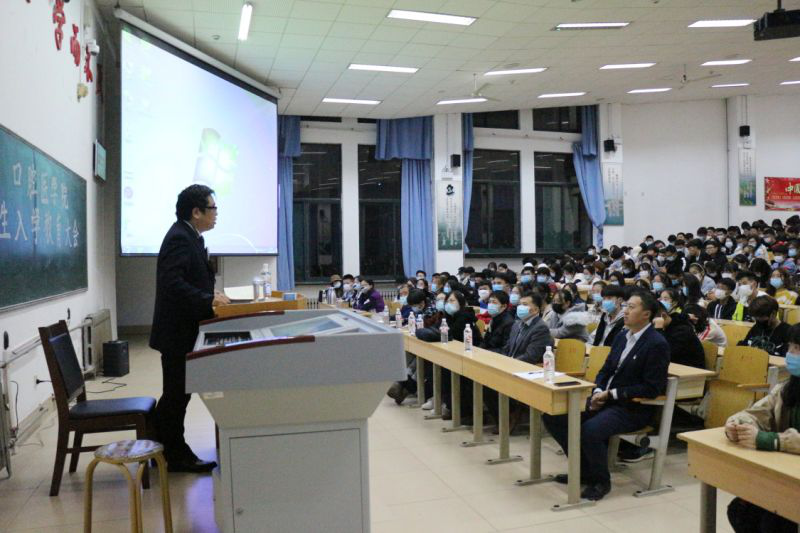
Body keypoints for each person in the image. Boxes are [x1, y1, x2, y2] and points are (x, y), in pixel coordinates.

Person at [542, 291, 670, 501]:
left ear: (646, 314)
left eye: (631, 307)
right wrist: (597, 392)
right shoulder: (622, 336)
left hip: (632, 407)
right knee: (554, 416)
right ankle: (583, 470)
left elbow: (652, 387)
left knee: (591, 430)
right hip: (605, 399)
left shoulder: (657, 343)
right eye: (626, 306)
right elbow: (605, 370)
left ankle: (601, 481)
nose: (625, 311)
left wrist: (611, 394)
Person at [149, 184, 229, 473]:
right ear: (196, 212)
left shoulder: (190, 236)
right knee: (176, 395)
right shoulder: (180, 238)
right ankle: (173, 454)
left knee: (178, 394)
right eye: (212, 208)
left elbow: (189, 279)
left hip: (182, 330)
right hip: (177, 333)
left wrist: (210, 294)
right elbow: (172, 284)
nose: (216, 214)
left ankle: (162, 449)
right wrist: (207, 300)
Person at [725, 323, 800, 533]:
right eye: (790, 346)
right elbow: (757, 413)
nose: (790, 354)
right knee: (740, 511)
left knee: (772, 523)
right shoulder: (788, 388)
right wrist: (738, 424)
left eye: (797, 348)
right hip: (786, 473)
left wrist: (769, 440)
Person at [502, 292, 553, 364]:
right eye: (519, 304)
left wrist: (510, 363)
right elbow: (507, 348)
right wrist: (502, 360)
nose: (520, 307)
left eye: (525, 304)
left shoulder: (541, 328)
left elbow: (530, 357)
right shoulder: (516, 324)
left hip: (525, 367)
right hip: (509, 363)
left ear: (536, 310)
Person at [653, 302, 707, 368]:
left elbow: (662, 353)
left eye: (652, 323)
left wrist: (658, 329)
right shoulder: (672, 324)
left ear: (663, 316)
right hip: (673, 368)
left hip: (691, 371)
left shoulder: (682, 331)